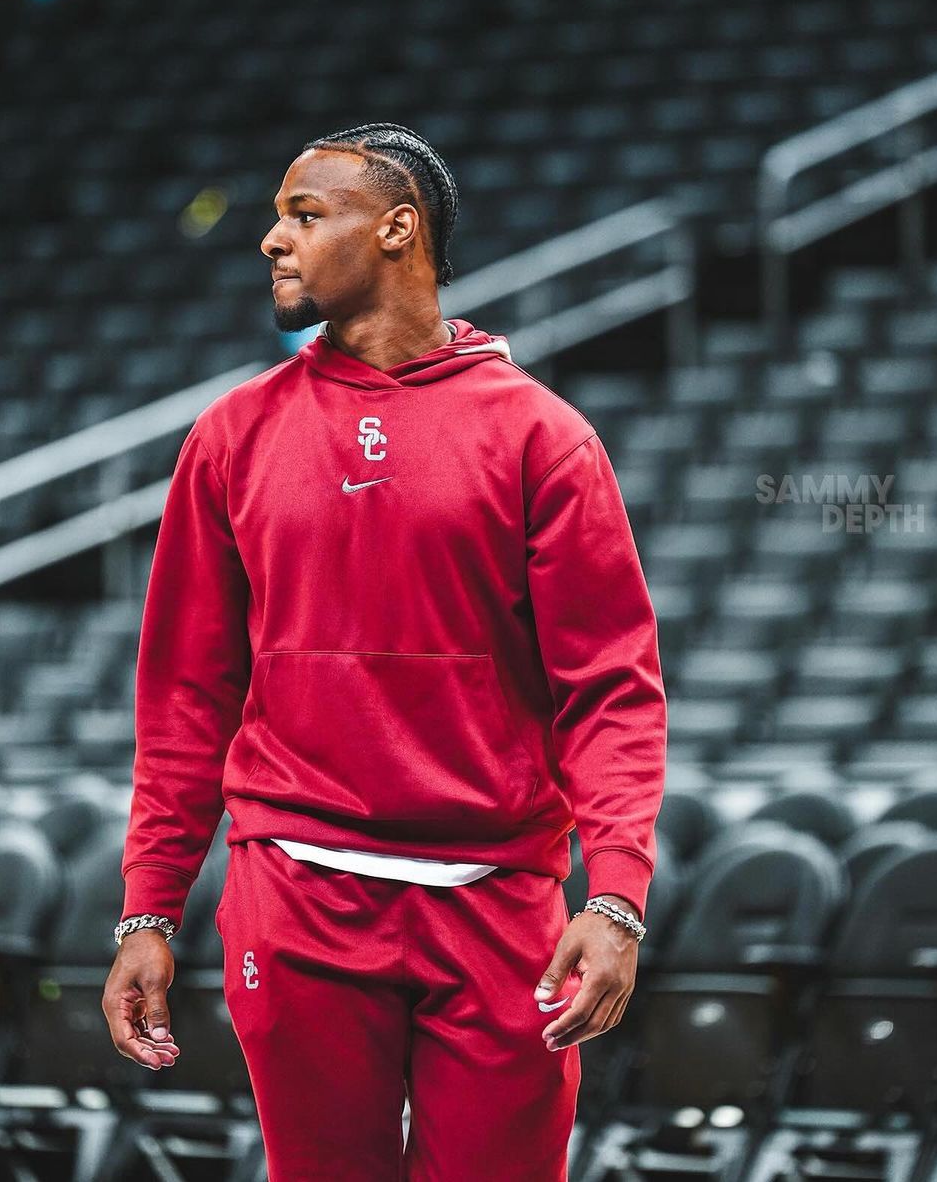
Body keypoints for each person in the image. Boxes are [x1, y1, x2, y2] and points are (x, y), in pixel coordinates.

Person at [103, 122, 667, 1180]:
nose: (272, 239)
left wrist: (615, 893)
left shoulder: (544, 437)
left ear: (399, 230)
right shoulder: (231, 436)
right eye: (277, 216)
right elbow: (185, 694)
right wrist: (149, 906)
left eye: (305, 215)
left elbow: (612, 692)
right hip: (295, 893)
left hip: (500, 905)